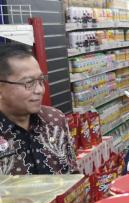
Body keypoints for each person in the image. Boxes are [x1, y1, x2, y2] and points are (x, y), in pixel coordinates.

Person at [0, 44, 77, 175]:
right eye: (29, 83)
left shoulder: (55, 119)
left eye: (41, 80)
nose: (40, 90)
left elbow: (73, 172)